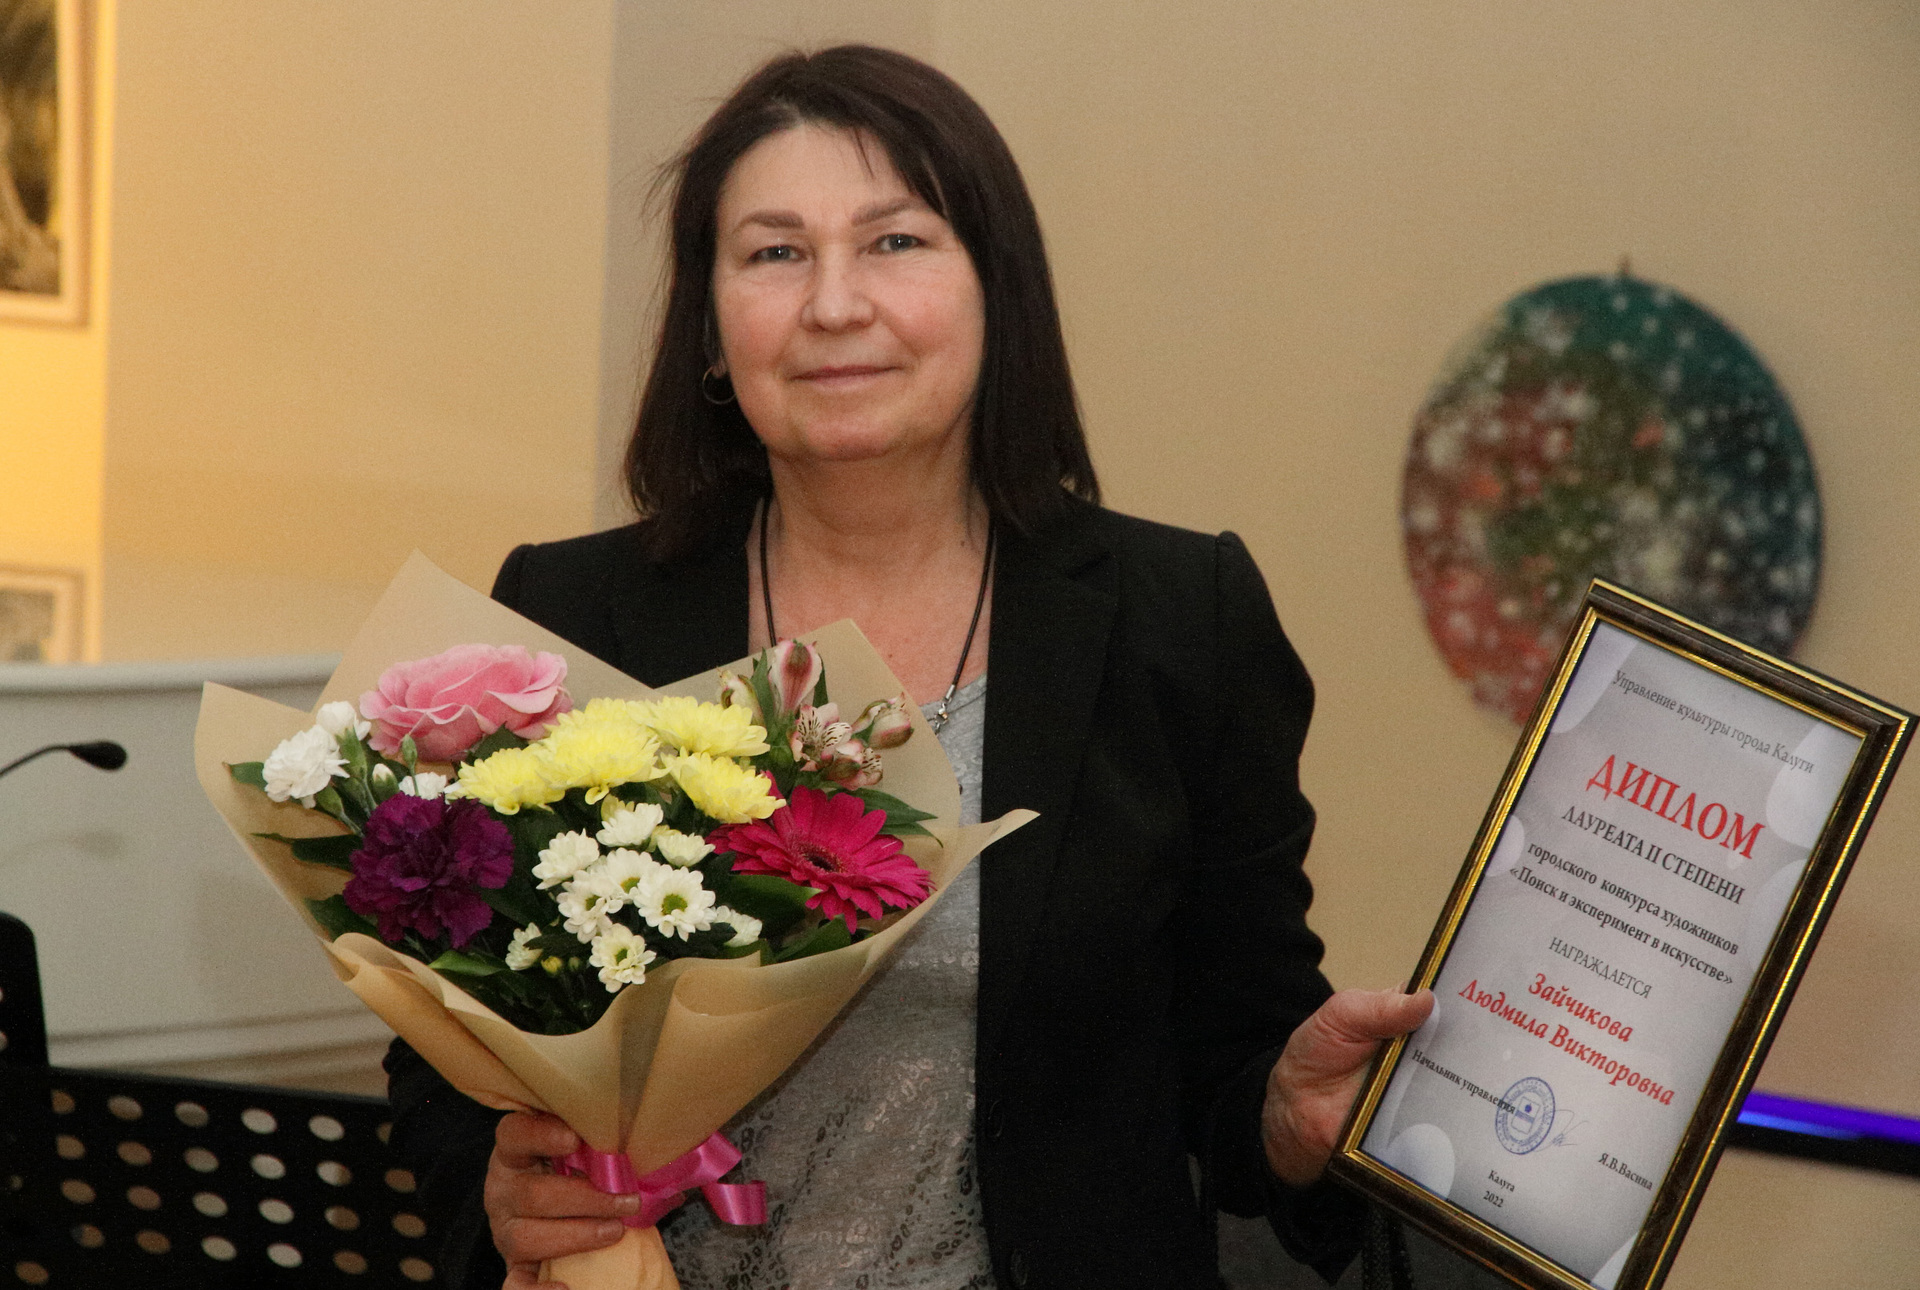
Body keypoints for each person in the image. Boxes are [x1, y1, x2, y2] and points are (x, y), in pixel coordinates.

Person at [384, 44, 1432, 1290]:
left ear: (997, 293)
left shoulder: (1178, 618)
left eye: (895, 242)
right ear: (711, 327)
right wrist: (502, 1185)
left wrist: (1290, 1119)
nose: (835, 304)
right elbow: (451, 1051)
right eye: (775, 253)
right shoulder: (572, 616)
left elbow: (1233, 1060)